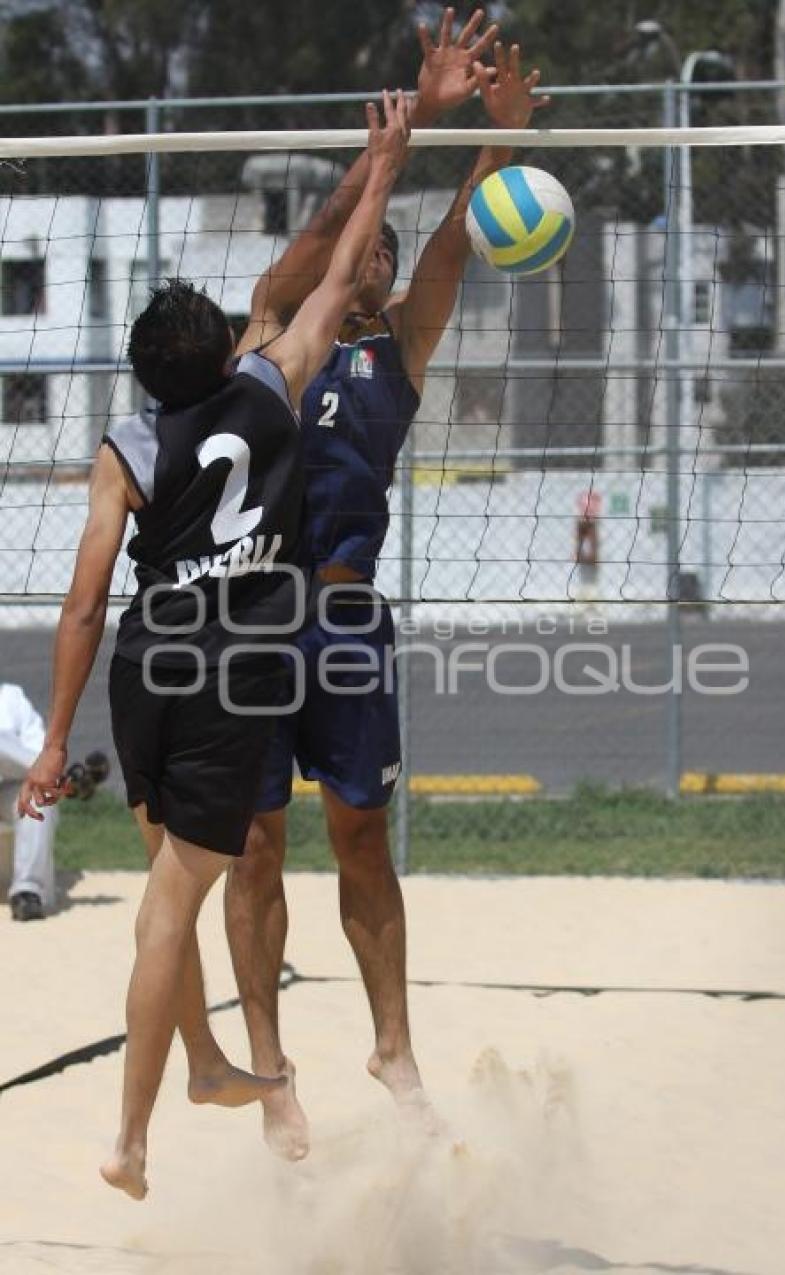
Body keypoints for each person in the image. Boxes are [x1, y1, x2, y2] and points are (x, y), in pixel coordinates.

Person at [18, 88, 410, 1201]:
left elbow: (85, 608)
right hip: (232, 672)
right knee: (168, 910)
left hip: (149, 663)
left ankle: (205, 1060)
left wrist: (53, 744)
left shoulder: (126, 446)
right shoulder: (272, 385)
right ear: (223, 348)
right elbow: (331, 285)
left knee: (165, 893)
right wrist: (383, 158)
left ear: (147, 374)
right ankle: (136, 1134)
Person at [221, 12, 549, 1157]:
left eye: (384, 252)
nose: (374, 255)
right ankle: (271, 1074)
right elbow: (309, 244)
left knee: (361, 837)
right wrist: (396, 137)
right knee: (255, 847)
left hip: (347, 620)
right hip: (250, 618)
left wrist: (492, 143)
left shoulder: (389, 358)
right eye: (364, 246)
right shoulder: (268, 331)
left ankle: (392, 1048)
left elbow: (456, 245)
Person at [0, 681, 56, 920]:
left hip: (8, 788)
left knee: (38, 797)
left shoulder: (12, 697)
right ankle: (62, 779)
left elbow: (38, 750)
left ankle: (27, 892)